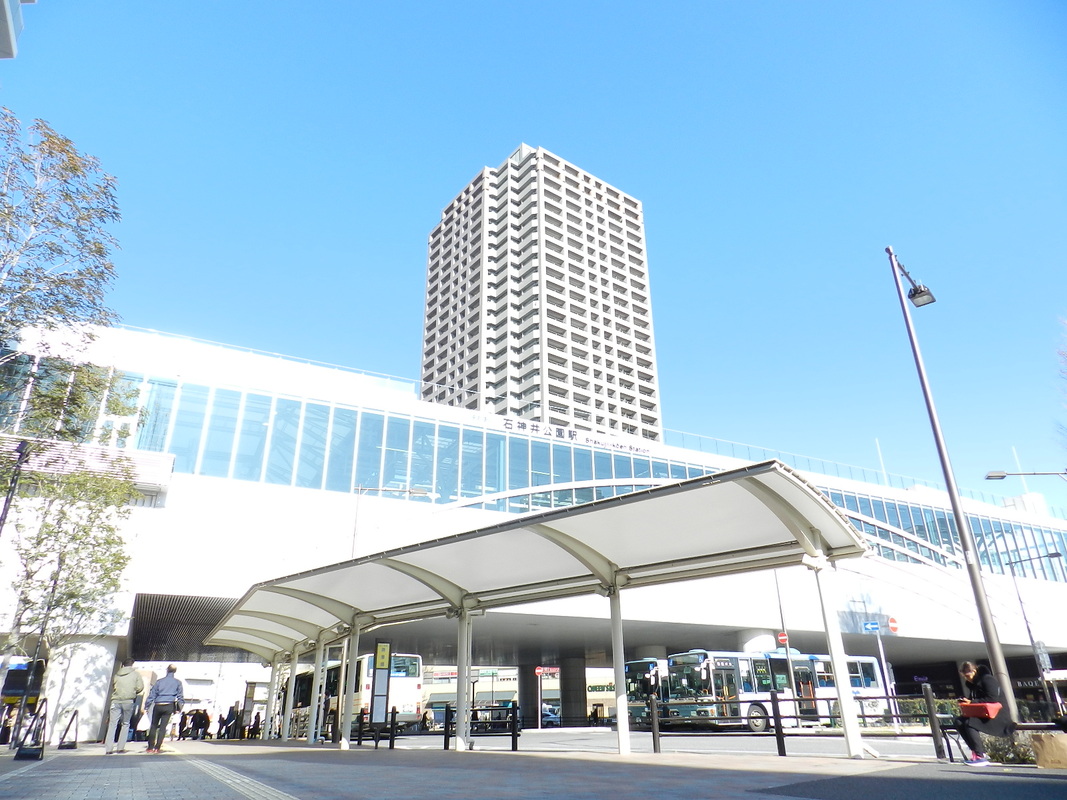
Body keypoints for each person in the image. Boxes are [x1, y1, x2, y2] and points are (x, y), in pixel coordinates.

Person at [956, 661, 1015, 766]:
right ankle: (975, 752)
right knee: (959, 721)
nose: (967, 679)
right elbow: (974, 700)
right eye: (964, 677)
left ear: (974, 671)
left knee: (970, 723)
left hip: (998, 715)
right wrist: (966, 702)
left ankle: (980, 756)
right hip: (984, 714)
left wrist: (971, 702)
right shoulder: (973, 685)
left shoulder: (987, 679)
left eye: (967, 675)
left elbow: (992, 698)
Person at [104, 658, 144, 755]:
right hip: (128, 701)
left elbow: (113, 686)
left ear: (123, 665)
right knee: (125, 724)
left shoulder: (116, 675)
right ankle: (120, 748)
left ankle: (108, 749)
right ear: (132, 665)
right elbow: (140, 687)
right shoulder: (136, 674)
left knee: (112, 724)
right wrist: (133, 691)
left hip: (115, 701)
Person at [144, 664, 184, 754]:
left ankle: (150, 747)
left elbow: (152, 695)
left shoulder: (159, 681)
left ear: (167, 670)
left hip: (158, 704)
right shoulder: (178, 682)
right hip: (169, 705)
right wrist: (179, 708)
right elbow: (180, 697)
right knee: (163, 727)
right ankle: (157, 748)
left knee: (154, 726)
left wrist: (147, 706)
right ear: (175, 671)